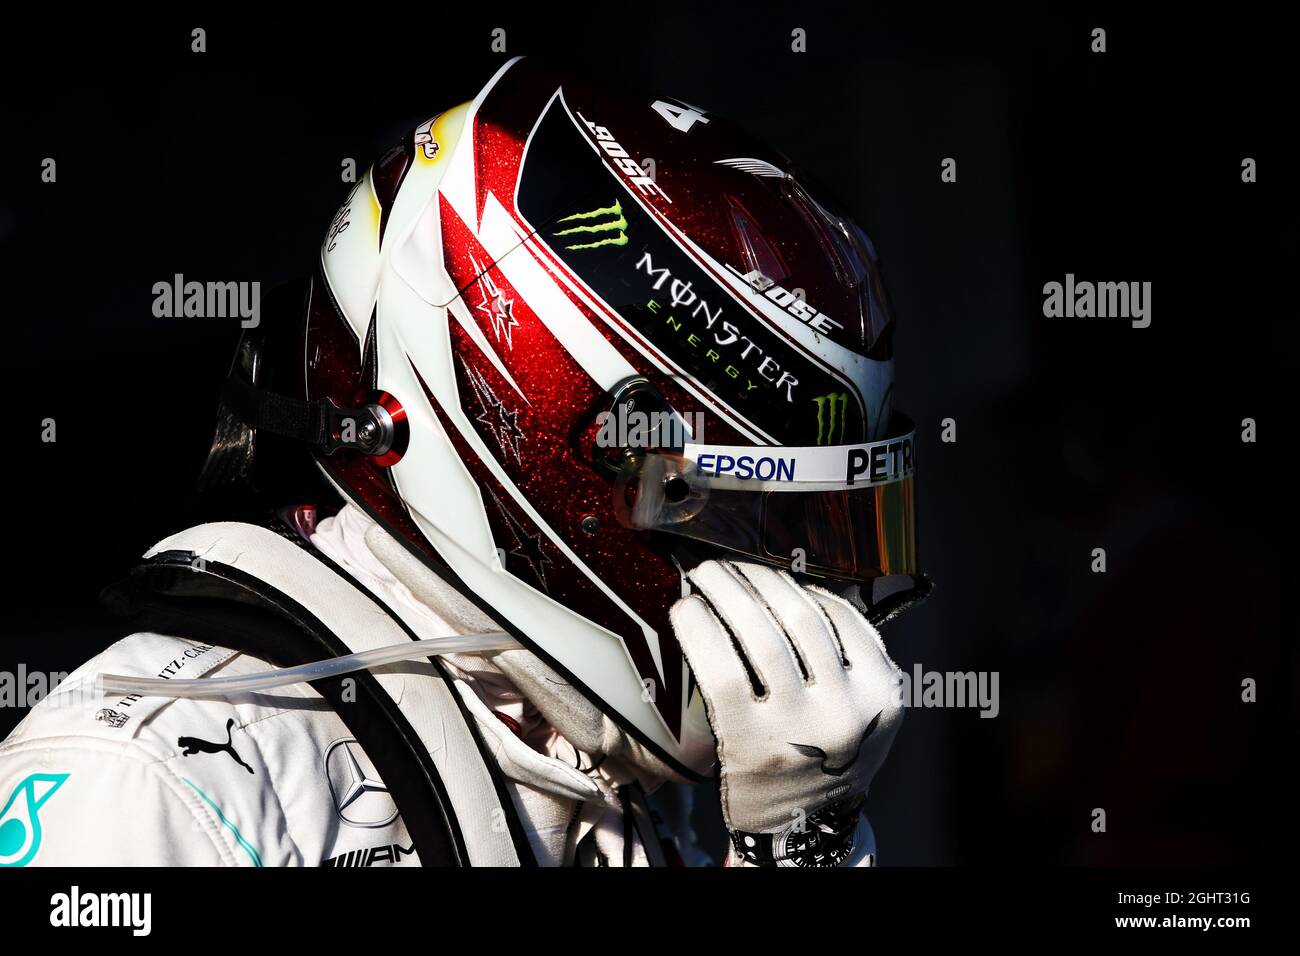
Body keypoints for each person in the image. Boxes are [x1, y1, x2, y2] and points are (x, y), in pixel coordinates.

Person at [0, 58, 927, 867]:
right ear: (555, 458)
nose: (816, 599)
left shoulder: (608, 775)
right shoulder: (144, 781)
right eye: (755, 525)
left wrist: (795, 847)